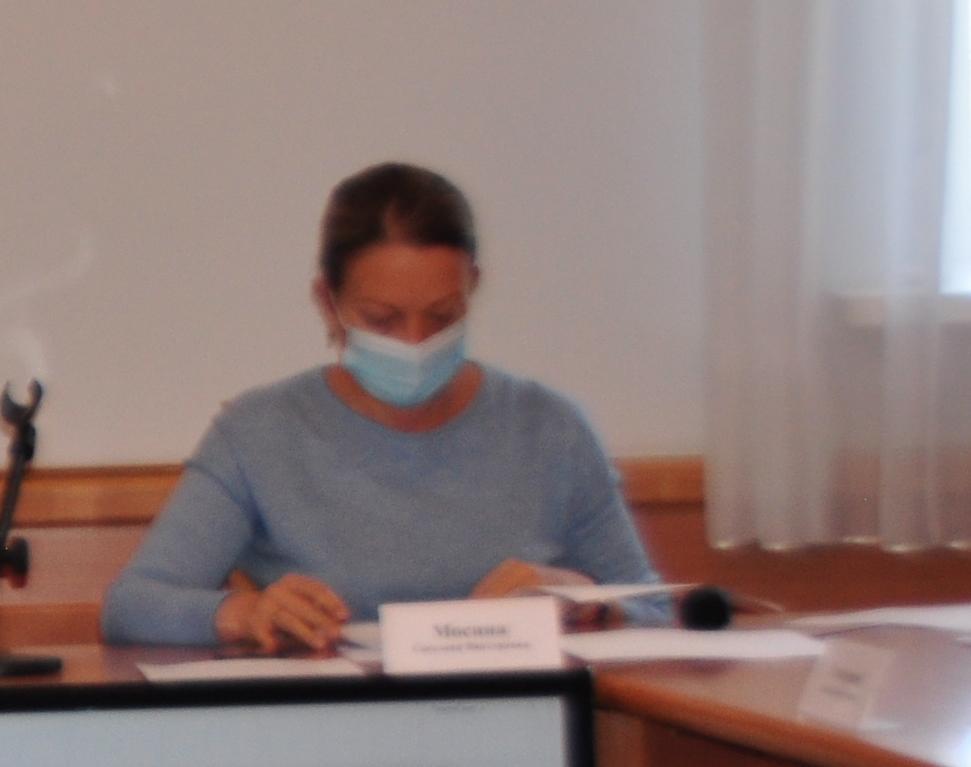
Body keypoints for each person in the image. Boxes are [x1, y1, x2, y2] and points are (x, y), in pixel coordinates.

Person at [100, 163, 658, 653]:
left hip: (523, 717)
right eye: (382, 320)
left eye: (442, 316)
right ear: (329, 302)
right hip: (339, 726)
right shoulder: (260, 433)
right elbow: (132, 606)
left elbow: (652, 607)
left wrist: (584, 598)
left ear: (472, 289)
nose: (415, 342)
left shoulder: (551, 429)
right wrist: (246, 613)